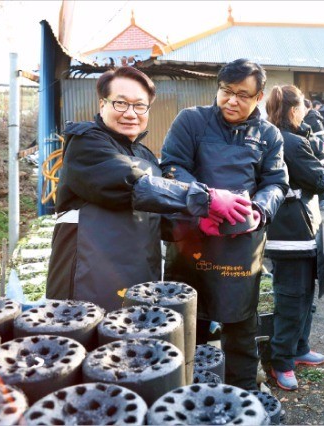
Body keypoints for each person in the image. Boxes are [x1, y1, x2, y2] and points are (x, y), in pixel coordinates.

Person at [159, 58, 289, 390]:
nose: (232, 100)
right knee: (189, 321)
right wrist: (206, 200)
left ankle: (243, 394)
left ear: (259, 97)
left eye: (243, 95)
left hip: (241, 243)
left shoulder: (269, 135)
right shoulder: (191, 121)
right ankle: (186, 391)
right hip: (193, 235)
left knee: (241, 325)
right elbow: (172, 166)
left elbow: (276, 183)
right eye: (226, 91)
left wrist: (259, 210)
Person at [47, 66, 213, 312]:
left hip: (139, 274)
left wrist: (200, 222)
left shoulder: (145, 155)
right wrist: (202, 198)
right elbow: (130, 181)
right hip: (89, 275)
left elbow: (161, 217)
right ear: (102, 104)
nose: (130, 113)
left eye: (139, 106)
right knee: (91, 340)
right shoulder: (87, 142)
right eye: (121, 104)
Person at [264, 85, 324, 391]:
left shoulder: (282, 136)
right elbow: (319, 180)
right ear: (294, 110)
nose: (307, 110)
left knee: (305, 293)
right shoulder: (290, 142)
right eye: (304, 105)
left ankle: (299, 348)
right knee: (293, 298)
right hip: (292, 233)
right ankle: (281, 361)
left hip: (297, 228)